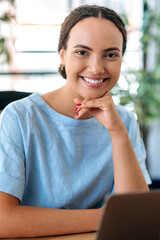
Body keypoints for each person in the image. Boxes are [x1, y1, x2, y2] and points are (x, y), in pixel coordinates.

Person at [0, 4, 151, 238]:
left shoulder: (124, 122)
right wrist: (104, 216)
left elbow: (135, 221)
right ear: (62, 55)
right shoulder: (18, 118)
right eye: (82, 52)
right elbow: (4, 221)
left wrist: (117, 132)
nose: (96, 68)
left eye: (111, 54)